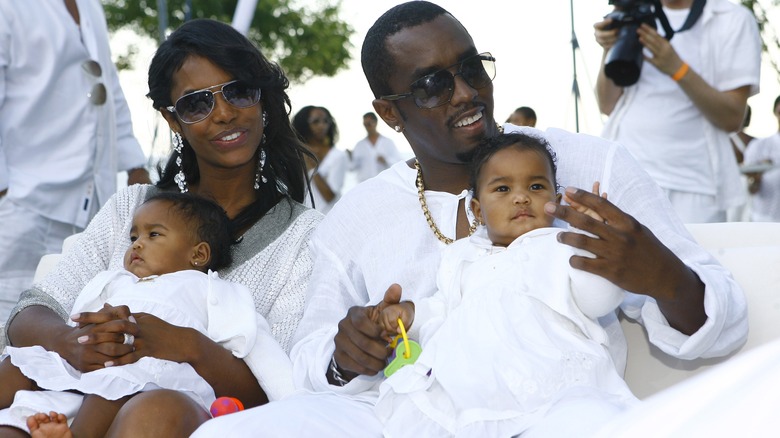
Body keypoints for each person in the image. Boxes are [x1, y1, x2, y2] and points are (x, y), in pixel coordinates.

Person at [193, 2, 746, 436]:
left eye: (470, 68)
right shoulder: (358, 217)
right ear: (389, 112)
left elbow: (724, 319)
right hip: (405, 417)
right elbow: (310, 361)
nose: (466, 93)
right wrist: (346, 355)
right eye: (433, 84)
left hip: (551, 410)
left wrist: (662, 277)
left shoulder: (592, 163)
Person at [0, 18, 321, 436]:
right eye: (196, 103)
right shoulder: (133, 208)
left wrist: (185, 345)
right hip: (72, 394)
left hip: (207, 421)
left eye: (239, 91)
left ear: (261, 99)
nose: (224, 113)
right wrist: (71, 342)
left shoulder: (303, 236)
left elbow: (284, 388)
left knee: (157, 408)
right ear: (173, 121)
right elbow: (32, 312)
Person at [374, 132, 636, 436]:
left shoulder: (563, 245)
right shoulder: (461, 257)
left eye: (536, 186)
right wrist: (410, 314)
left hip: (550, 380)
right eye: (502, 188)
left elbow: (598, 301)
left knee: (581, 421)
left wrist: (595, 245)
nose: (521, 197)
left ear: (557, 200)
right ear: (477, 210)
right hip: (472, 388)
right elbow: (445, 309)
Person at [1, 192, 264, 437]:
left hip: (150, 371)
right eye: (134, 237)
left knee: (118, 381)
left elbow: (247, 346)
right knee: (18, 364)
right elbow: (79, 317)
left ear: (198, 254)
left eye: (154, 235)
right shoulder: (115, 280)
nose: (137, 244)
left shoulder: (212, 290)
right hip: (92, 362)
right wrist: (79, 338)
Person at [0, 0, 151, 323]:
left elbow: (109, 85)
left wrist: (135, 165)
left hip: (91, 204)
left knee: (66, 323)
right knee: (6, 322)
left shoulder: (89, 6)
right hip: (22, 208)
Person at [594, 0, 761, 223]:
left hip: (693, 184)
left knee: (688, 259)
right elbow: (606, 105)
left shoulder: (733, 18)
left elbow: (732, 117)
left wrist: (677, 68)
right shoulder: (634, 11)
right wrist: (609, 49)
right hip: (626, 176)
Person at [292, 105, 350, 214]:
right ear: (303, 124)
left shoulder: (337, 156)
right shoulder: (295, 154)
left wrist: (312, 167)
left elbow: (330, 196)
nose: (322, 125)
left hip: (329, 217)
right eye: (316, 121)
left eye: (326, 121)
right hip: (302, 219)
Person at [743, 95, 780, 222]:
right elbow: (751, 189)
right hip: (764, 220)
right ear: (775, 112)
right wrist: (757, 176)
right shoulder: (759, 146)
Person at [351, 112, 403, 182]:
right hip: (365, 185)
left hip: (384, 184)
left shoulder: (388, 142)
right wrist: (349, 156)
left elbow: (399, 163)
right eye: (365, 124)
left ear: (375, 123)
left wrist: (386, 160)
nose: (367, 127)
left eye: (369, 124)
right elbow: (352, 167)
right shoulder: (359, 145)